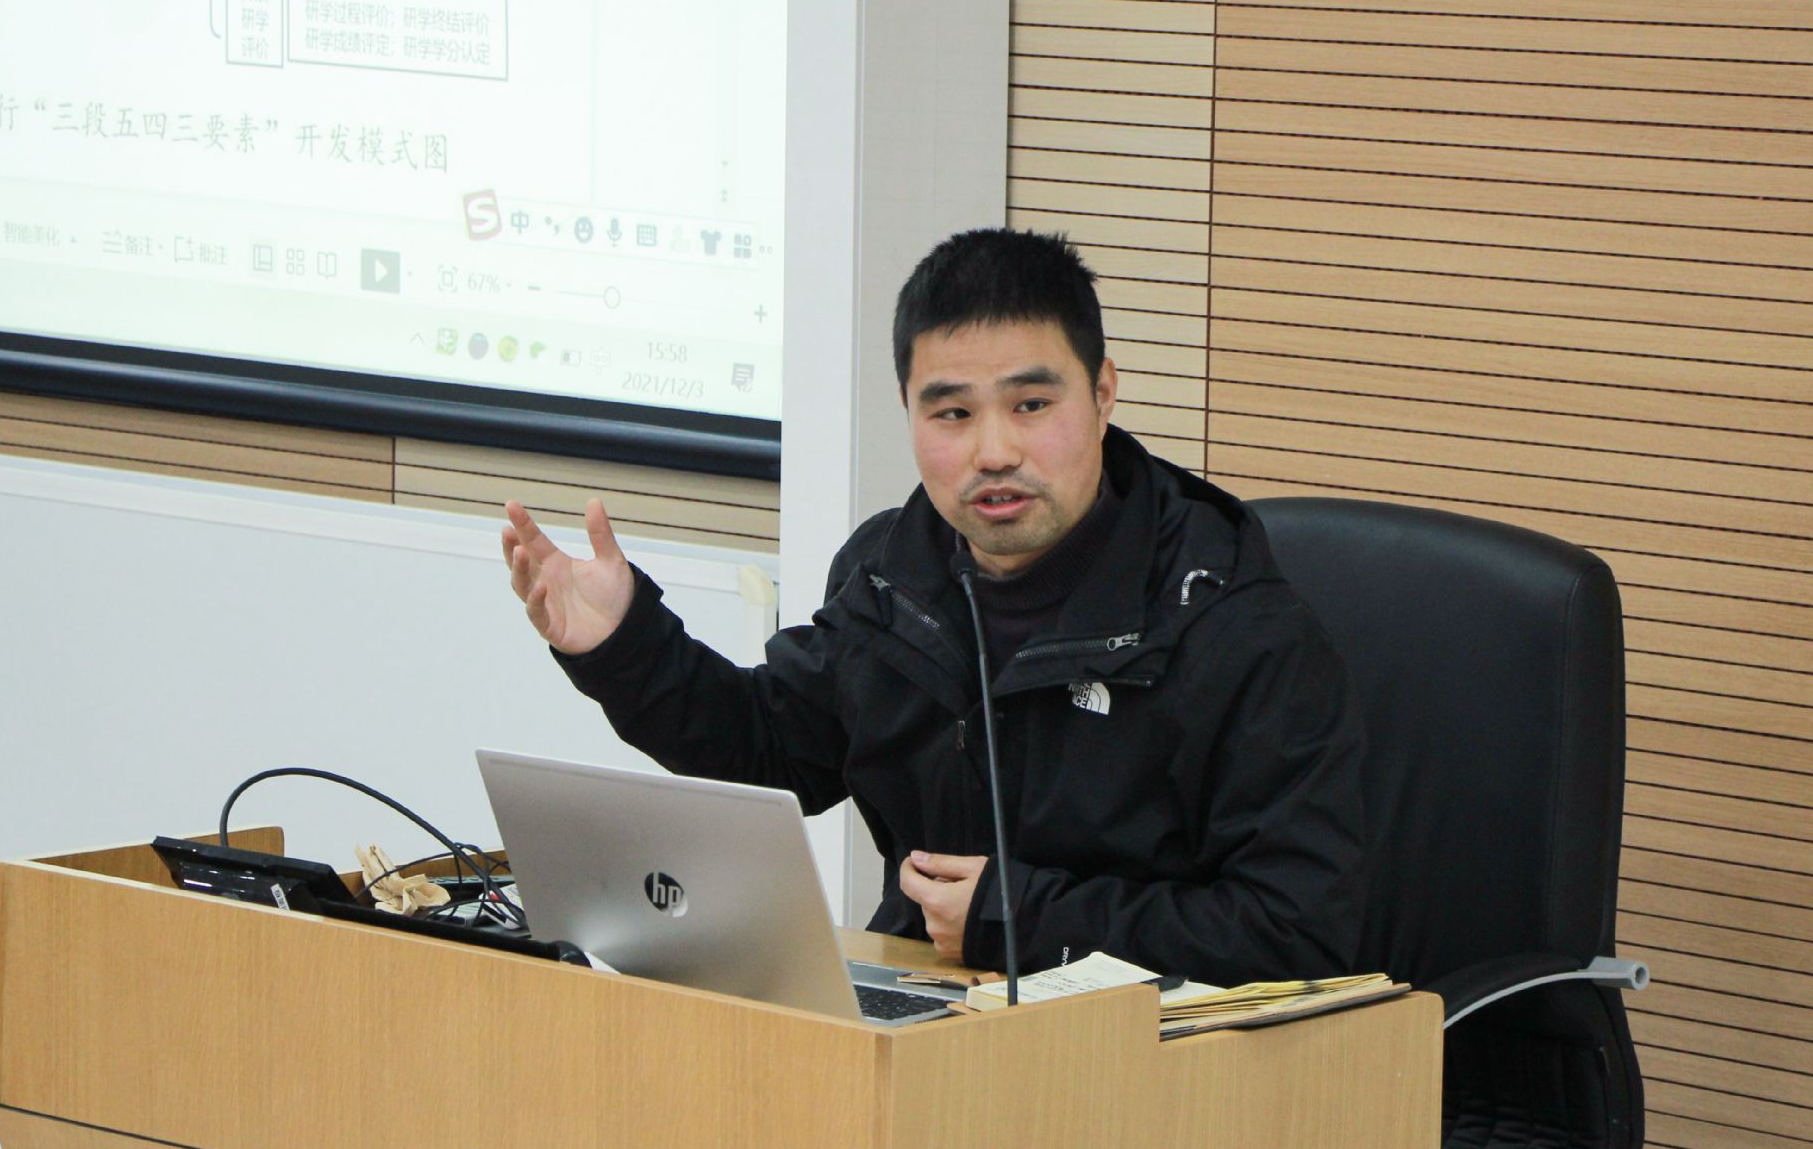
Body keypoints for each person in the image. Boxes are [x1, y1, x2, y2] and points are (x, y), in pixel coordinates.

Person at [500, 228, 1366, 985]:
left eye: (1032, 405)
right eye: (951, 413)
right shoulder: (894, 574)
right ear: (909, 412)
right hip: (934, 1012)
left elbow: (1301, 928)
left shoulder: (1230, 621)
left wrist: (1020, 917)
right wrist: (623, 644)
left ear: (1103, 393)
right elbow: (771, 747)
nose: (993, 451)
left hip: (1151, 1057)